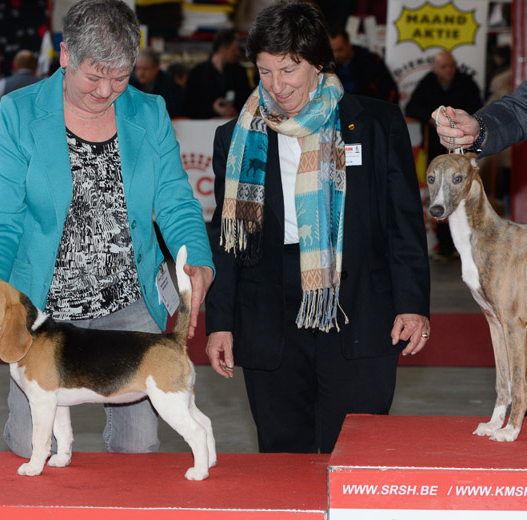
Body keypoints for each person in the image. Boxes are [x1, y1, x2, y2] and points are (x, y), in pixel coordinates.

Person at [0, 0, 214, 459]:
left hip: (129, 302)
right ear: (65, 56)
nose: (106, 90)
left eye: (120, 77)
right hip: (41, 309)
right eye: (94, 76)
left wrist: (197, 259)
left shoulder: (150, 112)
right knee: (29, 446)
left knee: (138, 445)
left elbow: (176, 200)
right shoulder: (18, 115)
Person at [204, 0, 430, 454]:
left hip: (360, 305)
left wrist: (413, 304)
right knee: (282, 454)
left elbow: (404, 223)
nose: (276, 85)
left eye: (288, 70)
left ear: (319, 62)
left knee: (354, 452)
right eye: (265, 72)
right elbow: (228, 241)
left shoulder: (377, 124)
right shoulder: (236, 137)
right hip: (270, 311)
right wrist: (220, 323)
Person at [405, 50, 482, 261]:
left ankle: (469, 245)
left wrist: (461, 119)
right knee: (440, 194)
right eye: (444, 67)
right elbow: (412, 107)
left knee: (467, 193)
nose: (448, 71)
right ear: (435, 68)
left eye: (451, 66)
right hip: (437, 150)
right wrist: (432, 118)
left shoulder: (466, 82)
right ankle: (445, 247)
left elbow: (479, 108)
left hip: (464, 149)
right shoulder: (427, 83)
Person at [182, 29, 253, 119]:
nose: (237, 53)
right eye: (234, 50)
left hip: (234, 126)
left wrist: (236, 111)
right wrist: (212, 109)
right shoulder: (196, 74)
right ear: (223, 49)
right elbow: (188, 107)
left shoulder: (240, 72)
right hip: (203, 129)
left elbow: (249, 102)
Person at [328, 28, 398, 103]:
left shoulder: (371, 61)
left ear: (348, 44)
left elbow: (391, 91)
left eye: (340, 50)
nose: (336, 55)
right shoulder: (326, 66)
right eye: (333, 51)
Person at [129, 49, 184, 117]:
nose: (141, 73)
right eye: (138, 68)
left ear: (156, 68)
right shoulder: (129, 84)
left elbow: (171, 110)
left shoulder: (169, 85)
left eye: (145, 69)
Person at [0, 50, 40, 118]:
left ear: (14, 65)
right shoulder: (44, 85)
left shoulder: (3, 84)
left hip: (9, 127)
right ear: (34, 65)